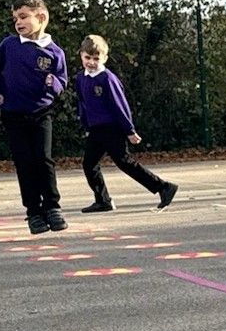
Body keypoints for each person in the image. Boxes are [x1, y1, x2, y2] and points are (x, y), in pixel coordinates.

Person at [0, 0, 69, 234]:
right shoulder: (9, 45)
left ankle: (52, 207)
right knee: (24, 162)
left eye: (23, 17)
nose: (18, 23)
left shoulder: (54, 52)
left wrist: (55, 85)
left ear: (41, 18)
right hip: (13, 114)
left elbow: (62, 80)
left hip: (41, 113)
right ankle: (34, 211)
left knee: (43, 159)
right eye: (15, 19)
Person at [75, 34, 179, 214]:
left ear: (104, 59)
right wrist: (85, 123)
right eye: (87, 58)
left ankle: (164, 187)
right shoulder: (80, 78)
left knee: (124, 162)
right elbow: (82, 102)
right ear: (81, 56)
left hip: (112, 128)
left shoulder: (107, 79)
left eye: (96, 59)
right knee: (89, 164)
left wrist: (129, 130)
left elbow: (119, 106)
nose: (91, 62)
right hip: (95, 129)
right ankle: (103, 200)